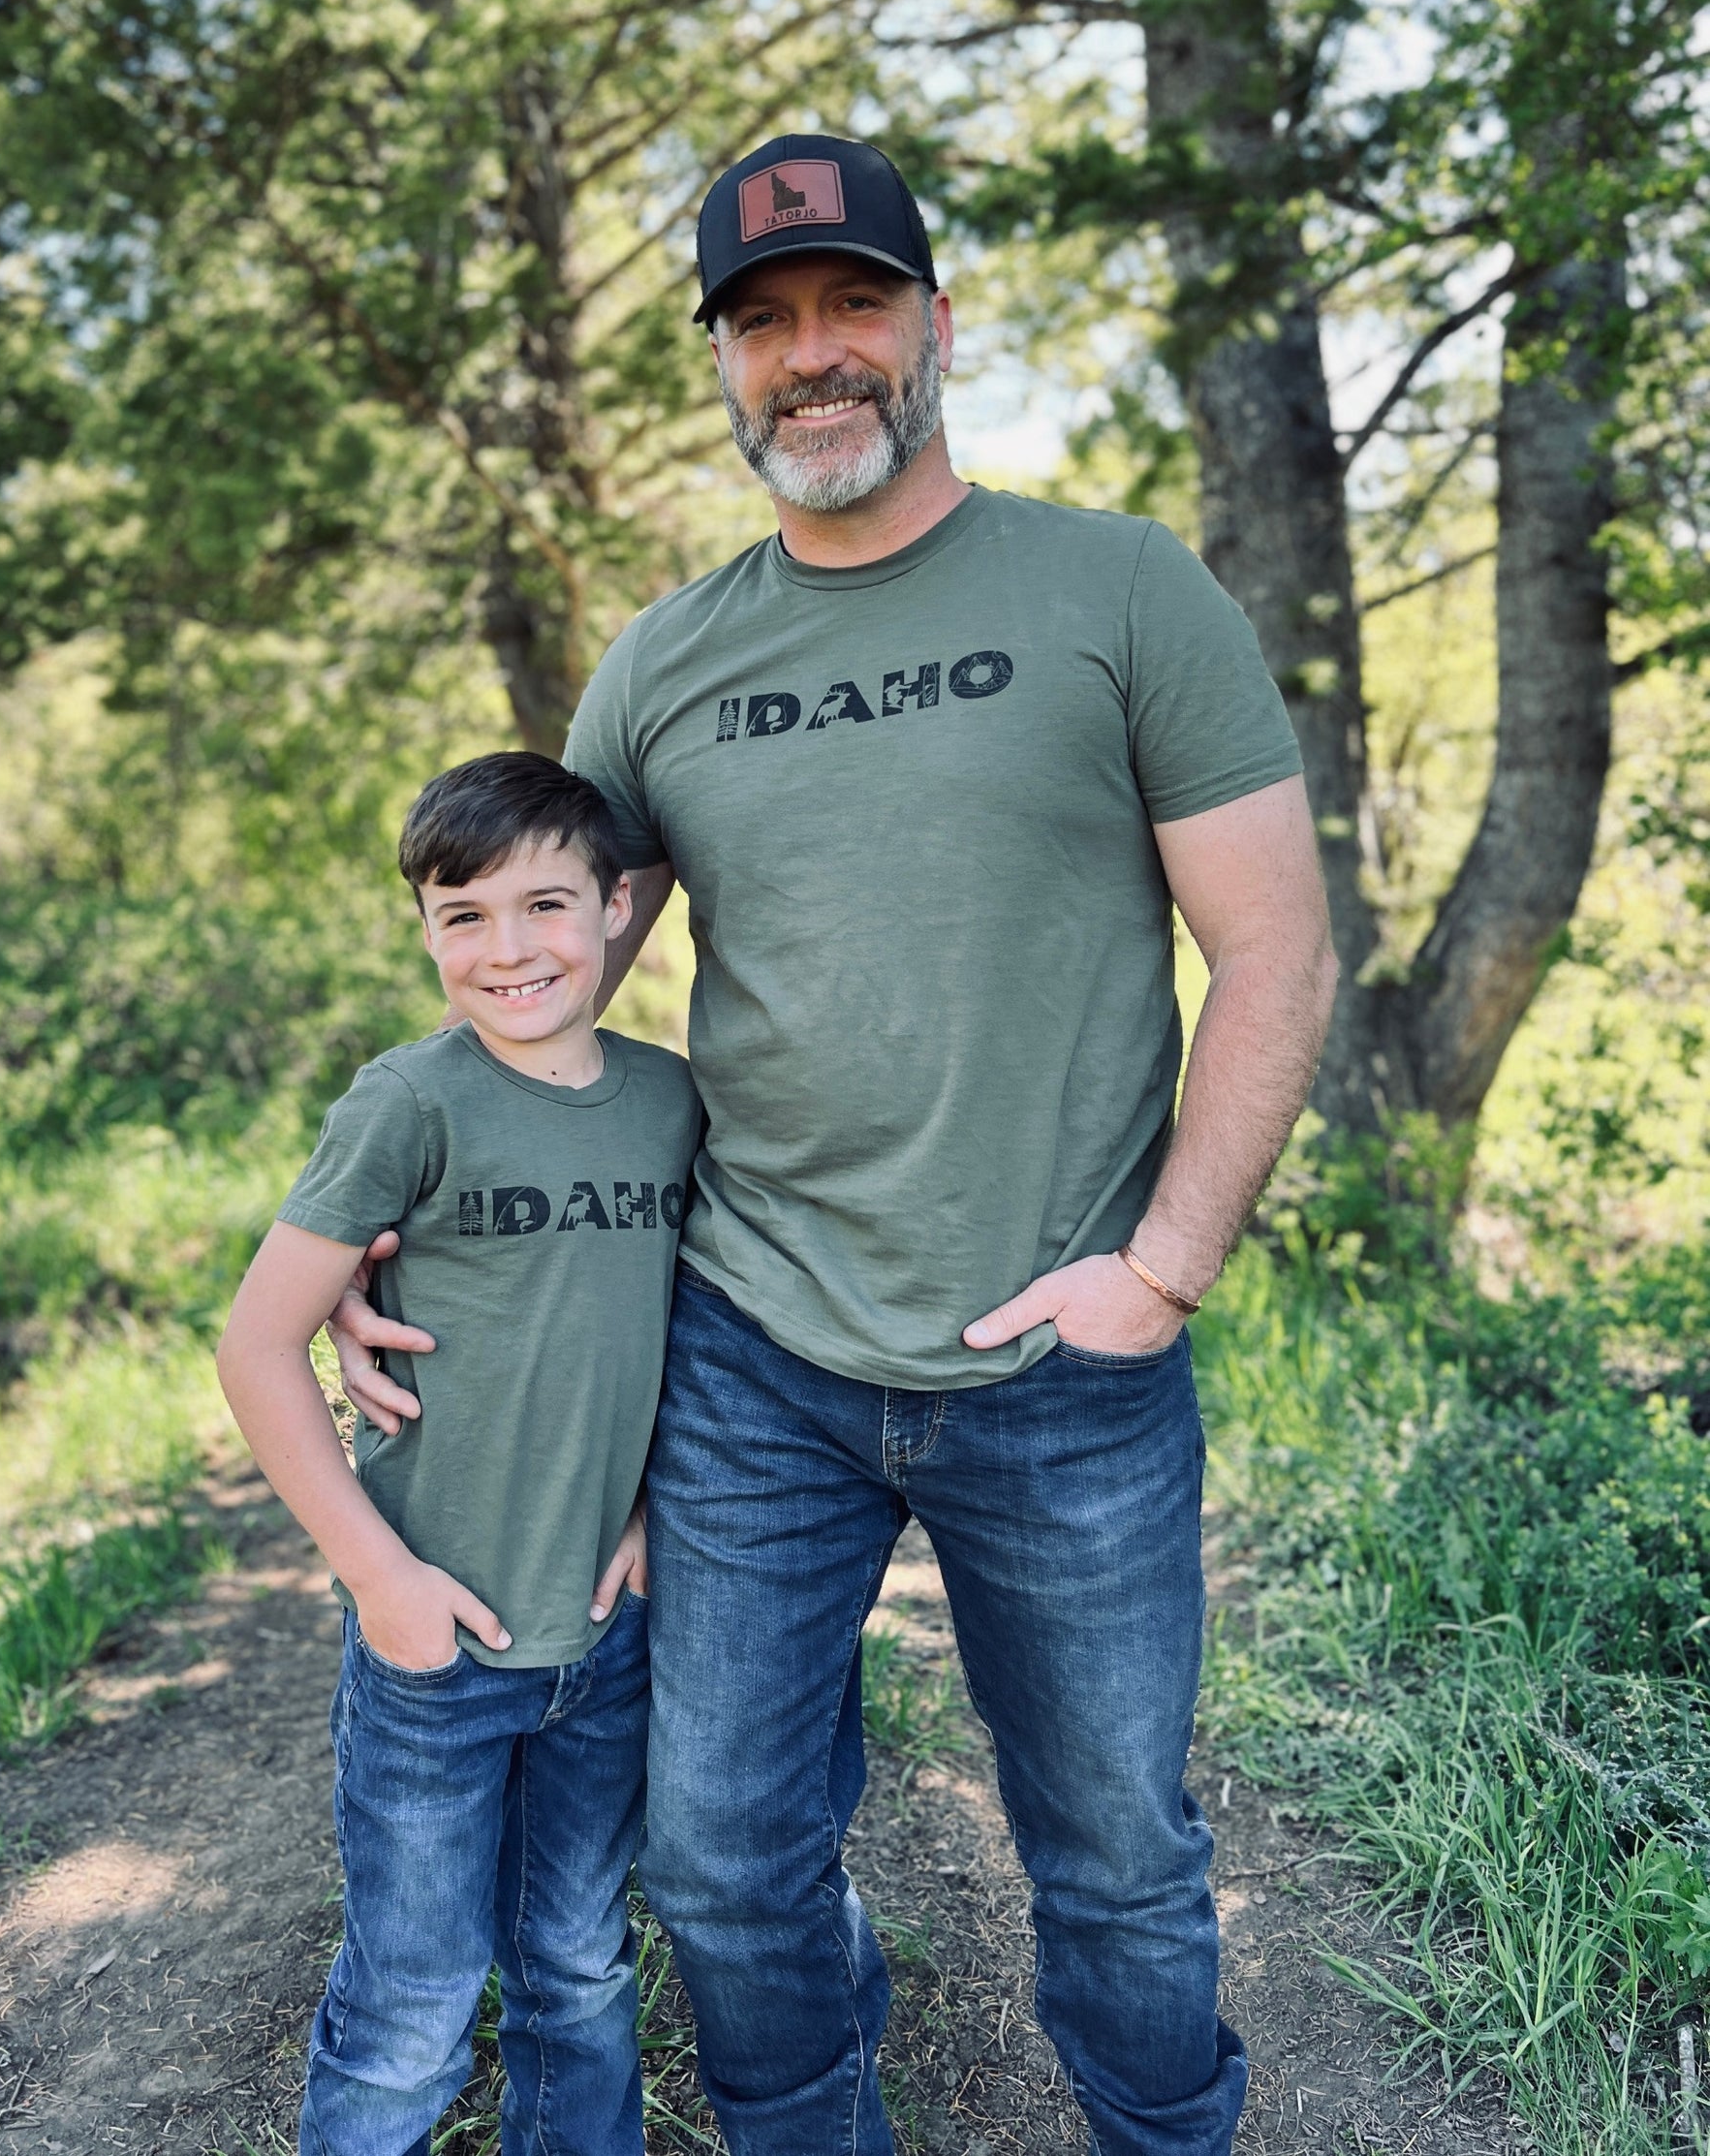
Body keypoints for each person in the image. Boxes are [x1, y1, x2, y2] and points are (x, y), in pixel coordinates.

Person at [330, 135, 1339, 2156]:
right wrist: (378, 1228)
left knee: (1119, 1856)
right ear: (725, 367)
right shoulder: (663, 662)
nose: (814, 356)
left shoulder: (1116, 586)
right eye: (764, 321)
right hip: (754, 1356)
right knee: (716, 1856)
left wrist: (1161, 1267)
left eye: (852, 305)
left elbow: (1276, 947)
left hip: (1062, 1362)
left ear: (934, 325)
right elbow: (530, 971)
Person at [217, 753, 700, 2156]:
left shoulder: (672, 1103)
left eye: (545, 903)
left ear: (619, 906)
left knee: (578, 1964)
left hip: (603, 1636)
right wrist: (383, 1584)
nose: (507, 948)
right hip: (437, 1647)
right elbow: (259, 1348)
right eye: (461, 913)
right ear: (424, 929)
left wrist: (653, 1514)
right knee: (414, 1995)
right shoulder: (409, 1100)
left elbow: (693, 1331)